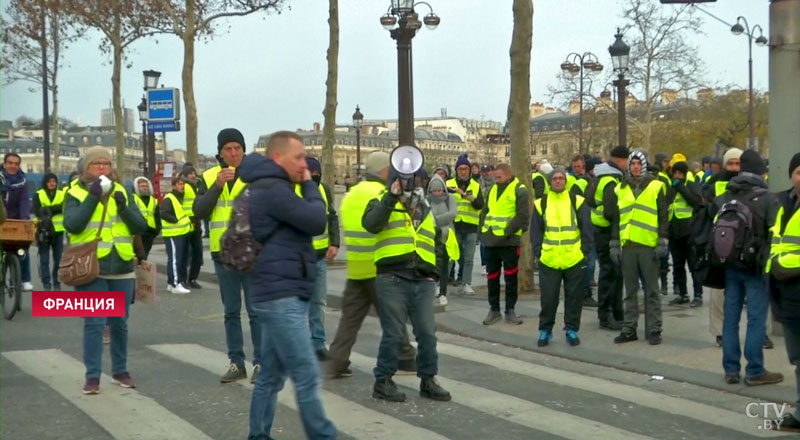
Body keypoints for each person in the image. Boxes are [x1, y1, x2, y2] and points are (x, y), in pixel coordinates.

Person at [238, 131, 336, 439]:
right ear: (277, 157)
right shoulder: (274, 189)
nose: (303, 163)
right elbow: (316, 219)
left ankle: (258, 435)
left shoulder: (265, 186)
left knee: (270, 376)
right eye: (297, 157)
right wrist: (308, 184)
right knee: (306, 376)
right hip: (281, 295)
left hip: (274, 290)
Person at [362, 159, 452, 404]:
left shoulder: (424, 207)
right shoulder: (381, 201)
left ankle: (428, 379)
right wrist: (391, 198)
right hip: (392, 277)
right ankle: (383, 381)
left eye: (414, 178)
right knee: (394, 332)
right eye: (402, 178)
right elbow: (371, 224)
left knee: (427, 333)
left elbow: (433, 241)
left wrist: (434, 273)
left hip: (422, 278)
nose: (409, 182)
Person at [326, 152, 418, 379]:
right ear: (385, 171)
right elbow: (399, 226)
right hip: (380, 267)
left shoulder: (350, 195)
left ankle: (336, 361)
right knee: (392, 316)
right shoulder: (382, 195)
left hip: (356, 266)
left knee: (350, 319)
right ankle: (406, 356)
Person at [63, 146, 147, 394]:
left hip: (121, 265)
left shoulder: (122, 190)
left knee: (120, 323)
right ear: (86, 168)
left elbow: (140, 226)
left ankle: (120, 370)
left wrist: (124, 208)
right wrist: (93, 196)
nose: (102, 168)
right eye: (96, 164)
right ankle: (92, 376)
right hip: (91, 267)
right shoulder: (75, 192)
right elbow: (73, 225)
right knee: (95, 323)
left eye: (106, 164)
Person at [193, 128, 262, 383]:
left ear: (244, 150)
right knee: (231, 311)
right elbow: (199, 210)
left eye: (237, 149)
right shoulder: (209, 176)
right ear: (220, 153)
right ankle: (236, 363)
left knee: (256, 311)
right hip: (223, 254)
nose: (233, 153)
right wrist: (217, 186)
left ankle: (261, 363)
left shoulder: (256, 176)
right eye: (228, 149)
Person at [714, 150, 783, 386]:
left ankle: (731, 370)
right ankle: (755, 370)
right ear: (761, 172)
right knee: (756, 319)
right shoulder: (767, 198)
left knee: (730, 318)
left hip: (730, 266)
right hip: (755, 268)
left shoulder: (726, 195)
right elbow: (776, 234)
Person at [531, 168, 592, 347]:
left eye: (561, 179)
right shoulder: (540, 203)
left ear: (565, 181)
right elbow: (535, 232)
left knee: (574, 299)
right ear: (550, 182)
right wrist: (538, 253)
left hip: (574, 258)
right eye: (555, 179)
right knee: (548, 299)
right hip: (549, 260)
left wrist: (584, 253)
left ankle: (571, 330)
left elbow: (587, 229)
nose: (558, 181)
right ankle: (545, 331)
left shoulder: (577, 201)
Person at [614, 150, 668, 346]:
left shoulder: (656, 186)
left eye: (638, 163)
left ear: (643, 165)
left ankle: (654, 329)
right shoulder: (621, 188)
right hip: (627, 245)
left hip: (648, 245)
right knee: (629, 291)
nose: (635, 167)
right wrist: (614, 244)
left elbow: (663, 216)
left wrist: (663, 240)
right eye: (632, 163)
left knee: (652, 291)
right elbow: (617, 218)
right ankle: (629, 329)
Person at [767, 152, 800, 431]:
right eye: (799, 171)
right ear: (791, 175)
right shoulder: (782, 203)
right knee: (798, 357)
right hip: (785, 291)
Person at [481, 163, 529, 326]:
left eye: (499, 177)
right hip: (491, 239)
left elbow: (522, 217)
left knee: (510, 277)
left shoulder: (519, 190)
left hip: (508, 241)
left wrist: (507, 232)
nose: (496, 179)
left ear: (509, 175)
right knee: (492, 276)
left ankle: (510, 310)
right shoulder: (493, 189)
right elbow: (486, 211)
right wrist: (483, 230)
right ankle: (494, 309)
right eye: (495, 176)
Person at [704, 148, 743, 347]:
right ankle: (719, 332)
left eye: (738, 163)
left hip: (744, 244)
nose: (735, 168)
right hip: (721, 242)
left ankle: (760, 334)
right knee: (719, 293)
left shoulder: (750, 182)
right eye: (731, 164)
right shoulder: (714, 185)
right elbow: (709, 211)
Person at [305, 157, 340, 360]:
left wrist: (334, 242)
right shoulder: (293, 191)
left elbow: (332, 216)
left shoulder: (324, 190)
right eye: (312, 174)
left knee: (318, 303)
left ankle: (318, 343)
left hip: (319, 257)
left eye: (317, 174)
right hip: (298, 258)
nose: (315, 178)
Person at [590, 146, 627, 331]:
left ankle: (616, 311)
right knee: (610, 273)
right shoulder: (612, 181)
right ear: (621, 160)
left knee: (613, 272)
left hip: (599, 229)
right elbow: (613, 213)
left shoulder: (600, 176)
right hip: (608, 232)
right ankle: (606, 315)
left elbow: (589, 198)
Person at [666, 160, 704, 307]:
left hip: (689, 230)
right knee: (678, 265)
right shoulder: (671, 186)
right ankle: (683, 294)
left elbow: (696, 202)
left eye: (680, 173)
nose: (677, 176)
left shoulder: (691, 184)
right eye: (675, 173)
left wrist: (681, 187)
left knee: (693, 265)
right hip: (674, 230)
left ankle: (698, 295)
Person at [446, 155, 484, 296]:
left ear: (469, 170)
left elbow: (481, 205)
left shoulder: (476, 185)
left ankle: (466, 283)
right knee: (451, 256)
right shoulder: (449, 184)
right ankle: (442, 284)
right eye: (460, 169)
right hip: (453, 225)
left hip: (470, 226)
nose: (463, 171)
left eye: (466, 169)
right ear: (456, 170)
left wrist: (472, 199)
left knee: (468, 258)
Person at [1, 153, 33, 291]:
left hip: (16, 218)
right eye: (10, 163)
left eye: (16, 163)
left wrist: (25, 219)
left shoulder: (22, 180)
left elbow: (24, 201)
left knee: (23, 248)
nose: (13, 166)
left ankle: (25, 280)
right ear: (4, 164)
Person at [32, 173, 65, 290]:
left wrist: (47, 209)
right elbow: (37, 211)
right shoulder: (39, 194)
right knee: (44, 259)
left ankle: (56, 281)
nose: (52, 184)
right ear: (45, 183)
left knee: (58, 259)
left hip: (58, 231)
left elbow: (64, 207)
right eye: (50, 181)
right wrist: (55, 208)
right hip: (43, 231)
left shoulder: (62, 194)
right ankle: (46, 282)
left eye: (54, 181)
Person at [160, 176, 192, 294]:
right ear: (174, 186)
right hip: (173, 233)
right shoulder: (170, 198)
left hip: (179, 233)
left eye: (183, 184)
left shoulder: (177, 197)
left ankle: (171, 283)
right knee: (174, 259)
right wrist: (176, 220)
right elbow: (163, 213)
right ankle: (175, 284)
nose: (182, 186)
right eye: (179, 184)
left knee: (177, 259)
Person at [428, 172, 457, 305]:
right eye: (434, 191)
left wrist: (436, 221)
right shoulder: (427, 200)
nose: (437, 193)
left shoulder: (449, 198)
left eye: (439, 190)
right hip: (432, 236)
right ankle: (435, 286)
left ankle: (443, 292)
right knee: (433, 264)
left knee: (445, 265)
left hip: (446, 236)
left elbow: (452, 214)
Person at [181, 165, 203, 289]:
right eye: (190, 174)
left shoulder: (197, 186)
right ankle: (183, 279)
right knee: (183, 252)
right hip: (185, 221)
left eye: (194, 173)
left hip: (196, 220)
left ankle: (193, 278)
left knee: (197, 252)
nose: (193, 176)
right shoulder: (183, 186)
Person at [131, 176, 160, 260]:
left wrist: (156, 230)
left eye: (146, 186)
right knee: (137, 256)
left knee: (145, 255)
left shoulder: (154, 200)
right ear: (137, 187)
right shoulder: (133, 199)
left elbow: (157, 216)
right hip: (138, 232)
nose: (145, 188)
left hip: (150, 232)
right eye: (142, 186)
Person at [478, 164, 495, 274]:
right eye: (484, 171)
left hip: (494, 213)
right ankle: (484, 264)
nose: (486, 173)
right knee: (483, 241)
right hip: (482, 214)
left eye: (488, 171)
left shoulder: (496, 183)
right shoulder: (478, 184)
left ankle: (492, 262)